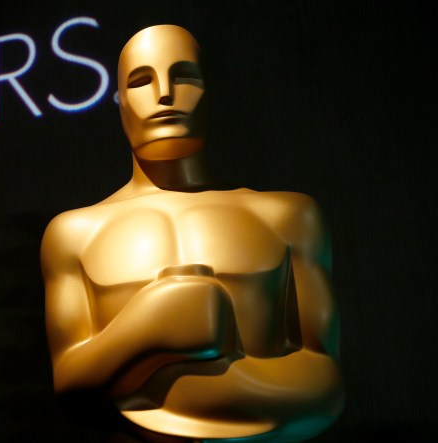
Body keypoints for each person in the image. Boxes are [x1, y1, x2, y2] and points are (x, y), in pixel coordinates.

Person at [41, 25, 343, 442]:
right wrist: (150, 325)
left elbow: (325, 378)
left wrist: (223, 383)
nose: (164, 94)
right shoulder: (74, 234)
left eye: (183, 76)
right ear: (120, 102)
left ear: (209, 94)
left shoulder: (286, 217)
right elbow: (71, 382)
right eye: (141, 81)